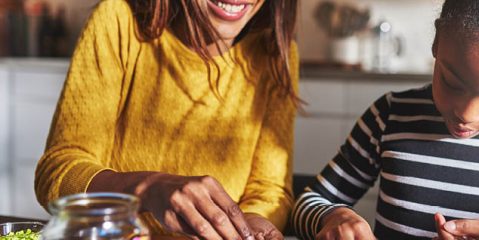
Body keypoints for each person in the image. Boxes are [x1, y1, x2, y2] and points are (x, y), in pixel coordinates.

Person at [292, 0, 479, 239]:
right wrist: (333, 217)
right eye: (452, 83)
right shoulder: (389, 115)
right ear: (437, 42)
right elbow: (308, 202)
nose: (466, 113)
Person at [34, 0, 299, 239]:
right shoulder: (118, 20)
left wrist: (251, 220)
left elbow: (269, 189)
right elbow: (58, 171)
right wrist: (147, 188)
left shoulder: (273, 53)